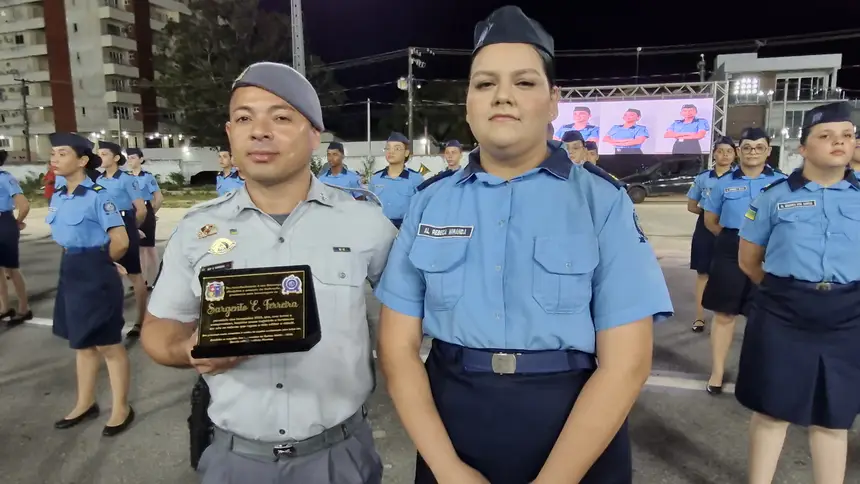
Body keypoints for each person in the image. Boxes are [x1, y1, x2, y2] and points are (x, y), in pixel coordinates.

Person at [374, 7, 673, 484]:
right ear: (468, 102)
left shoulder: (602, 202)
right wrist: (448, 470)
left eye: (525, 83)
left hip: (574, 428)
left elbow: (627, 364)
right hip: (453, 427)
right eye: (485, 83)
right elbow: (397, 348)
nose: (503, 97)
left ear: (554, 101)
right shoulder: (429, 204)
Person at [140, 61, 396, 484]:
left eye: (280, 117)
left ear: (315, 134)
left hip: (339, 457)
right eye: (244, 118)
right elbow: (157, 330)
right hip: (234, 460)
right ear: (229, 134)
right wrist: (189, 350)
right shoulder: (196, 231)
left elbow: (409, 318)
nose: (259, 131)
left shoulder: (365, 222)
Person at [735, 102, 859, 484]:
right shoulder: (773, 197)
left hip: (848, 314)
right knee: (772, 410)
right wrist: (788, 293)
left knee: (834, 415)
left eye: (847, 135)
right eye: (825, 135)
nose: (838, 141)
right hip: (783, 311)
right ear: (803, 148)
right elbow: (749, 261)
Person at [47, 132, 134, 436]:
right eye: (53, 154)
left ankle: (121, 407)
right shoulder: (59, 193)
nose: (54, 159)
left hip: (95, 271)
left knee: (108, 342)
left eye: (61, 153)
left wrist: (103, 262)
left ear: (82, 160)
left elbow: (120, 240)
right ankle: (86, 403)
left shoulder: (98, 195)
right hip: (70, 267)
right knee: (82, 342)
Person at [700, 127, 785, 395]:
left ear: (768, 151)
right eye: (747, 147)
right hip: (729, 251)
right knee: (724, 314)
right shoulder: (722, 183)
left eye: (759, 147)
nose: (752, 152)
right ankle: (717, 371)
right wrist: (737, 242)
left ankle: (762, 373)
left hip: (769, 253)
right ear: (739, 151)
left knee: (763, 317)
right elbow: (710, 221)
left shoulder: (783, 183)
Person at [96, 141, 148, 338]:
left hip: (125, 224)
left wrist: (132, 230)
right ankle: (112, 317)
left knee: (134, 274)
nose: (100, 157)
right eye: (99, 153)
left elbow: (141, 209)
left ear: (116, 158)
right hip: (105, 228)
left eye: (104, 154)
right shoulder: (98, 180)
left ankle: (140, 320)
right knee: (109, 273)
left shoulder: (126, 179)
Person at [685, 136, 736, 332]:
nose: (724, 155)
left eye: (729, 151)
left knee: (729, 274)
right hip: (705, 229)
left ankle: (724, 317)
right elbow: (691, 206)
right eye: (720, 151)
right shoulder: (703, 178)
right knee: (703, 274)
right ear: (714, 154)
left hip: (731, 228)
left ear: (735, 154)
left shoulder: (740, 178)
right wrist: (710, 215)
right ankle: (699, 318)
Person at [0, 149, 32, 325]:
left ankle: (24, 308)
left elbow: (24, 205)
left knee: (11, 269)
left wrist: (16, 222)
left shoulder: (5, 178)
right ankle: (4, 308)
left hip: (4, 222)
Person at [368, 132, 424, 229]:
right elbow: (369, 206)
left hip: (405, 228)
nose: (391, 151)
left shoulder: (416, 179)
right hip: (379, 228)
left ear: (406, 153)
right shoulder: (376, 179)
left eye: (397, 148)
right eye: (388, 148)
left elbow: (421, 207)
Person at [126, 148, 163, 290]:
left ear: (141, 159)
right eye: (128, 157)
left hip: (146, 210)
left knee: (148, 248)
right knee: (137, 248)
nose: (130, 160)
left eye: (133, 157)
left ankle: (154, 279)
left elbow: (159, 198)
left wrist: (151, 213)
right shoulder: (126, 177)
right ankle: (141, 281)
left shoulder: (147, 177)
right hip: (131, 210)